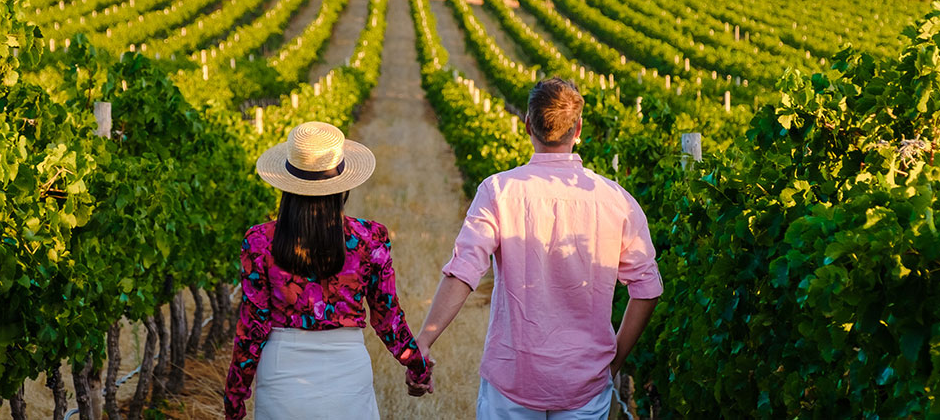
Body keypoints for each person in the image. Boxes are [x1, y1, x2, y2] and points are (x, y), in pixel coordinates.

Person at [412, 78, 662, 419]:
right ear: (578, 129)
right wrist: (614, 360)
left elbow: (464, 270)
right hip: (585, 386)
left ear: (528, 124)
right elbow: (647, 289)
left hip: (512, 380)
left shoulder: (498, 191)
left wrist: (425, 340)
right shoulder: (616, 200)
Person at [223, 121, 433, 419]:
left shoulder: (259, 241)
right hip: (348, 371)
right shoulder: (369, 238)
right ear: (343, 185)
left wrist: (235, 397)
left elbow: (252, 327)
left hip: (282, 374)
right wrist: (418, 368)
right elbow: (388, 319)